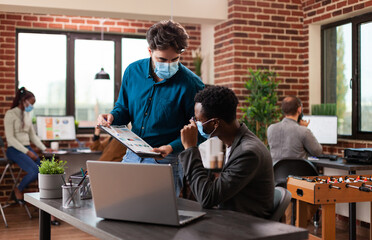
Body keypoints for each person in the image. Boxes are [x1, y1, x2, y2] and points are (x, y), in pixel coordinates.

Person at [97, 20, 204, 196]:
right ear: (149, 51)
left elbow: (201, 130)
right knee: (119, 208)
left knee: (157, 218)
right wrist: (112, 117)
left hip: (167, 159)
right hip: (132, 154)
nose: (169, 65)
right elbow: (123, 108)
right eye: (162, 59)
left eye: (175, 59)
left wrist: (171, 147)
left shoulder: (191, 84)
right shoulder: (132, 71)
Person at [179, 86, 274, 218]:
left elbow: (207, 197)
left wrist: (190, 148)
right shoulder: (234, 143)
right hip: (231, 217)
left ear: (215, 123)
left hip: (246, 226)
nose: (194, 124)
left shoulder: (248, 152)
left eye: (198, 120)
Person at [4, 87, 60, 225]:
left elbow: (32, 136)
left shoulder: (27, 115)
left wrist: (43, 148)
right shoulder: (10, 114)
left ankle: (48, 208)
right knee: (35, 171)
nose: (32, 106)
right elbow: (10, 139)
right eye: (31, 103)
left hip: (26, 148)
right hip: (14, 149)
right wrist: (26, 151)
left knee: (45, 170)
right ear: (23, 101)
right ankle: (18, 189)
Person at [267, 96, 323, 163]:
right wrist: (304, 128)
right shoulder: (303, 131)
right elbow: (317, 151)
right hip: (299, 173)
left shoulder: (270, 129)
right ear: (299, 109)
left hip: (277, 172)